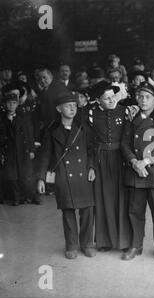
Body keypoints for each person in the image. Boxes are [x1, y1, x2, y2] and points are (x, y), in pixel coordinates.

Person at [37, 92, 96, 259]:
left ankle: (88, 244)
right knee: (68, 211)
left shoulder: (83, 129)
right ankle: (71, 245)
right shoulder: (52, 132)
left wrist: (91, 167)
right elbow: (46, 156)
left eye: (74, 105)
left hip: (83, 174)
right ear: (58, 108)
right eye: (68, 105)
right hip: (64, 175)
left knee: (87, 210)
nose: (72, 108)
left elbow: (91, 150)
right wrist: (41, 178)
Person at [121, 82, 154, 262]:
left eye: (147, 97)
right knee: (135, 211)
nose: (143, 100)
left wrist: (145, 161)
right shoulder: (132, 118)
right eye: (140, 96)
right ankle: (135, 245)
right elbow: (124, 143)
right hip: (135, 172)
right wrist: (134, 162)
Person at [86, 80, 132, 256]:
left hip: (121, 158)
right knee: (103, 198)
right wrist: (91, 166)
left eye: (113, 97)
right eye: (106, 99)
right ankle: (104, 241)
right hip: (101, 159)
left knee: (122, 199)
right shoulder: (91, 114)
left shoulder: (124, 111)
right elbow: (89, 144)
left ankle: (124, 241)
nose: (111, 101)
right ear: (98, 101)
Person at [0, 92, 39, 205]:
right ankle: (17, 197)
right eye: (9, 103)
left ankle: (30, 196)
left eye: (14, 103)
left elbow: (29, 134)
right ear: (4, 104)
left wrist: (31, 149)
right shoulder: (2, 119)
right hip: (9, 150)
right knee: (12, 175)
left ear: (17, 104)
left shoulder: (23, 117)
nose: (11, 105)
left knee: (26, 174)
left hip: (23, 149)